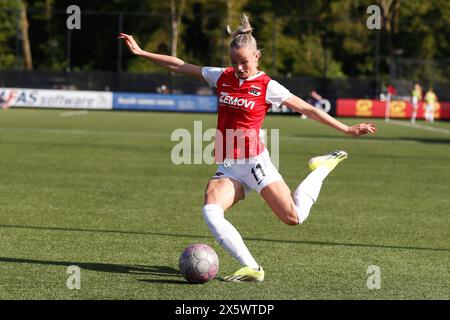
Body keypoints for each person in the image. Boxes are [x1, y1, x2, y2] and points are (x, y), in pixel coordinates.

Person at [119, 14, 376, 282]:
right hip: (229, 165)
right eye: (234, 62)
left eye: (244, 61)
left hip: (255, 163)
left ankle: (322, 168)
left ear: (257, 57)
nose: (239, 67)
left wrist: (346, 129)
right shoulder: (222, 77)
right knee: (210, 209)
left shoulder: (268, 86)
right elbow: (181, 66)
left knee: (294, 218)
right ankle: (252, 267)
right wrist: (141, 52)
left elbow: (308, 109)